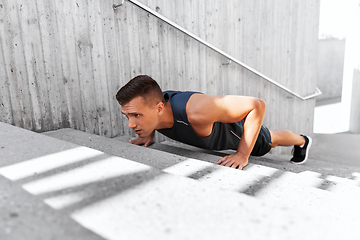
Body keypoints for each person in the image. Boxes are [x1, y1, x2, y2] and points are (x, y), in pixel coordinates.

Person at [116, 75, 312, 170]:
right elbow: (149, 111)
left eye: (136, 116)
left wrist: (243, 154)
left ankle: (302, 141)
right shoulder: (154, 109)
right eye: (128, 116)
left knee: (271, 139)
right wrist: (147, 133)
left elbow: (256, 105)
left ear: (159, 109)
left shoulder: (195, 111)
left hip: (243, 132)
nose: (130, 125)